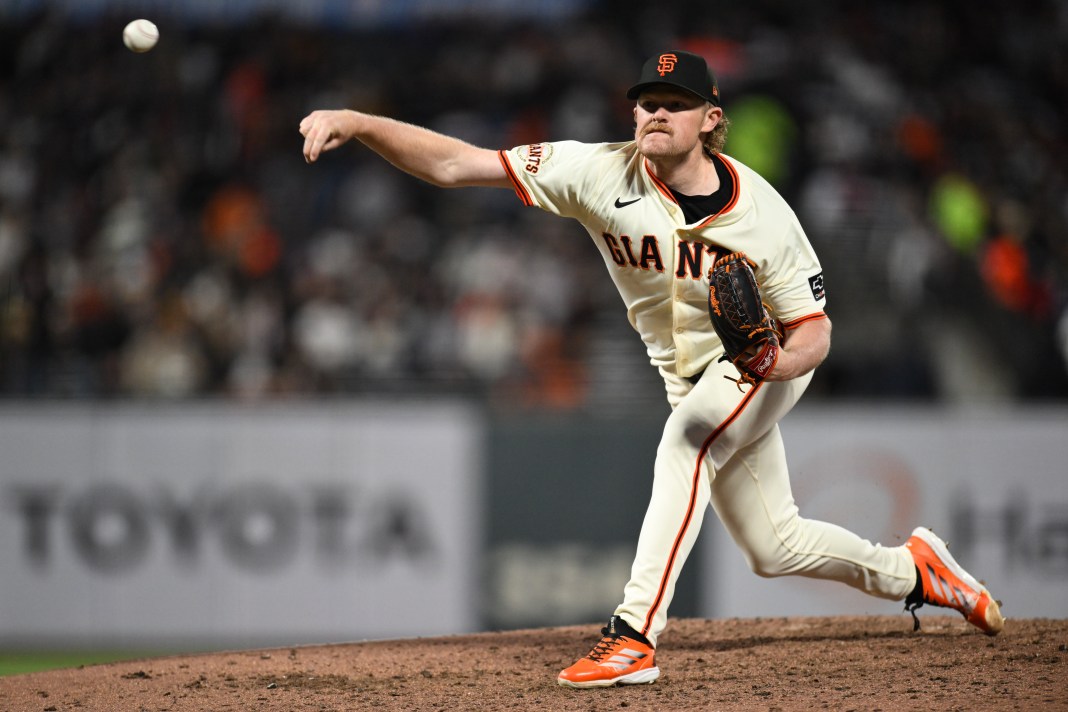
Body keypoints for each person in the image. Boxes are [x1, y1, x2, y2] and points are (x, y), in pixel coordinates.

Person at [299, 49, 1004, 689]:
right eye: (646, 101)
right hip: (689, 376)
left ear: (711, 119)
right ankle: (918, 569)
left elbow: (816, 332)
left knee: (688, 438)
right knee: (774, 545)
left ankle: (634, 636)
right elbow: (456, 164)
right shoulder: (597, 171)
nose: (656, 112)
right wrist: (359, 121)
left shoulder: (764, 214)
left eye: (675, 102)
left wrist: (772, 362)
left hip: (761, 365)